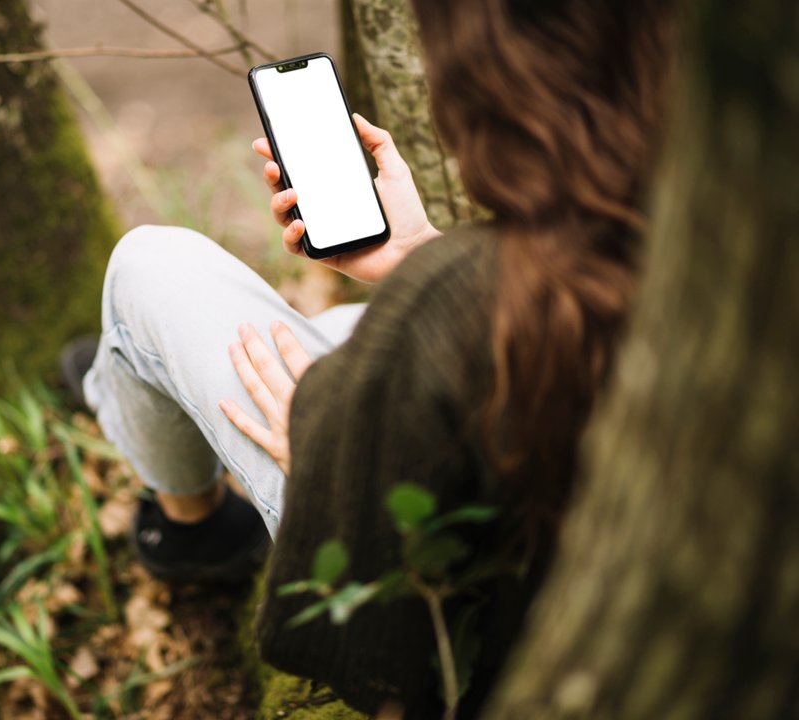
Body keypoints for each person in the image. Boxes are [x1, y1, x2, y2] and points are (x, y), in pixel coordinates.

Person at [61, 0, 676, 714]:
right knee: (347, 321)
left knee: (148, 269)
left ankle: (192, 529)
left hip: (459, 610)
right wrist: (420, 253)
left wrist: (330, 451)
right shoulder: (709, 244)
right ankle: (128, 381)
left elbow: (366, 641)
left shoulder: (446, 308)